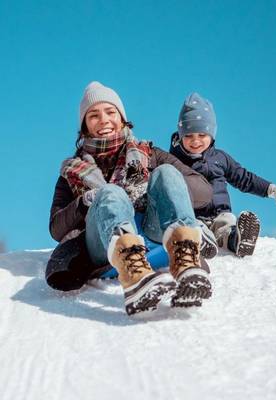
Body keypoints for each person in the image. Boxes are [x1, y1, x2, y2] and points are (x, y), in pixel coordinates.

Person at [47, 81, 215, 316]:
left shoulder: (149, 154)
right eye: (93, 115)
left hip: (152, 233)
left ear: (122, 118)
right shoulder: (72, 171)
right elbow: (56, 228)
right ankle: (135, 277)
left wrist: (149, 189)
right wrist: (87, 201)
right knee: (111, 192)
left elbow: (203, 192)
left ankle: (186, 263)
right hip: (103, 249)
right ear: (84, 126)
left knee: (166, 173)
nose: (104, 120)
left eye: (110, 112)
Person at [170, 92, 276, 258]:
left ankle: (238, 239)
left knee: (226, 225)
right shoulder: (173, 162)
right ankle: (200, 242)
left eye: (202, 135)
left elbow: (244, 178)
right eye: (189, 136)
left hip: (220, 213)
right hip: (193, 216)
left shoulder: (220, 158)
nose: (195, 141)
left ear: (212, 135)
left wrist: (271, 189)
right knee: (193, 228)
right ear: (180, 135)